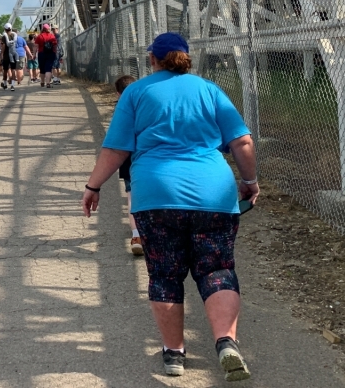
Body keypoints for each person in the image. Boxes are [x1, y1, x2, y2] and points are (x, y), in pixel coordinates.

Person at [80, 33, 258, 381]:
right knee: (217, 270)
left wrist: (93, 186)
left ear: (153, 60)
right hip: (214, 194)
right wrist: (249, 182)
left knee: (165, 275)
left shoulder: (136, 92)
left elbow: (116, 149)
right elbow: (242, 141)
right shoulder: (209, 89)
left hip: (156, 195)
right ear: (186, 58)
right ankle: (226, 342)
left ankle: (174, 353)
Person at [114, 75, 142, 255]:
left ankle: (136, 235)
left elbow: (116, 141)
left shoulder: (120, 110)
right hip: (149, 159)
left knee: (132, 198)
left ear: (118, 94)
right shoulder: (148, 104)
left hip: (128, 161)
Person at [35, 24, 59, 88]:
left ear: (43, 29)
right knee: (48, 69)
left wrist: (34, 54)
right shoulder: (52, 36)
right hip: (51, 53)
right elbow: (55, 45)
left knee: (42, 69)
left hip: (41, 53)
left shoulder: (39, 36)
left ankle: (42, 82)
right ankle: (48, 83)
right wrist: (56, 52)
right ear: (49, 29)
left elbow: (36, 46)